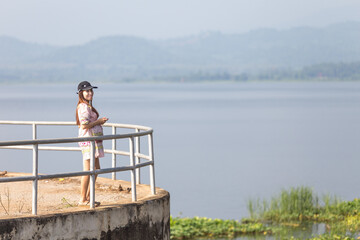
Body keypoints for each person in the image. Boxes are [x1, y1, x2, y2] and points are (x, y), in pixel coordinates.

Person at [76, 81, 108, 206]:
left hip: (93, 141)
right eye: (87, 91)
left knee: (95, 169)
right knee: (88, 170)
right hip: (88, 141)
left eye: (91, 90)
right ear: (81, 93)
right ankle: (83, 199)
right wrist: (98, 121)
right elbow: (84, 125)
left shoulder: (87, 106)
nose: (90, 93)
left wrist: (99, 122)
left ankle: (88, 197)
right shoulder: (83, 107)